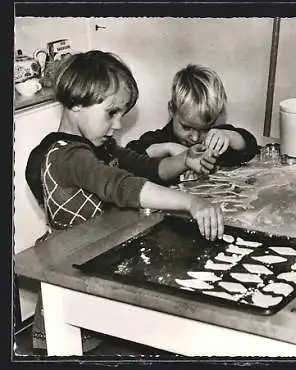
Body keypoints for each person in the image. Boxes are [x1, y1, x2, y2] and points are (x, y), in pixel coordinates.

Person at [24, 50, 225, 353]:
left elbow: (144, 167)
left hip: (96, 270)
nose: (118, 125)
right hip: (72, 284)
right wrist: (190, 202)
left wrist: (186, 161)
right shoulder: (69, 156)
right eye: (111, 113)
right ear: (77, 103)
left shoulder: (98, 146)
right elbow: (123, 186)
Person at [126, 63, 258, 178]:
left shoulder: (213, 141)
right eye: (186, 127)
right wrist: (166, 148)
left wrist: (228, 136)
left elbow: (250, 147)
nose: (195, 138)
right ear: (172, 110)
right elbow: (128, 158)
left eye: (205, 129)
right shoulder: (159, 139)